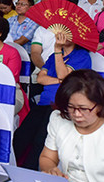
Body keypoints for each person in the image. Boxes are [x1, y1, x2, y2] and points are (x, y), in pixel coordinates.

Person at [14, 30, 92, 170]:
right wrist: (60, 80)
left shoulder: (82, 56)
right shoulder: (53, 57)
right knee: (22, 135)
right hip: (44, 102)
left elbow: (64, 74)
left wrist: (57, 50)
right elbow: (41, 79)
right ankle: (12, 167)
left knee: (40, 139)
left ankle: (29, 171)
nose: (63, 35)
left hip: (62, 105)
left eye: (68, 32)